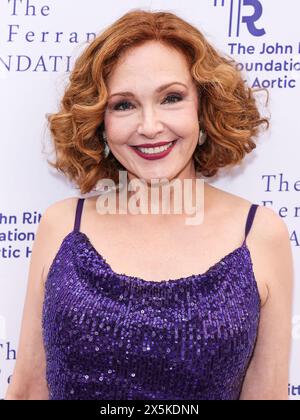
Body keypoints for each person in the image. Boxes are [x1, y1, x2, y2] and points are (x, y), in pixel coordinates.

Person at [5, 9, 293, 400]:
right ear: (100, 122)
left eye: (171, 98)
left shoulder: (259, 234)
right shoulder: (62, 226)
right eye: (124, 104)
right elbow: (27, 390)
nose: (150, 126)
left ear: (203, 108)